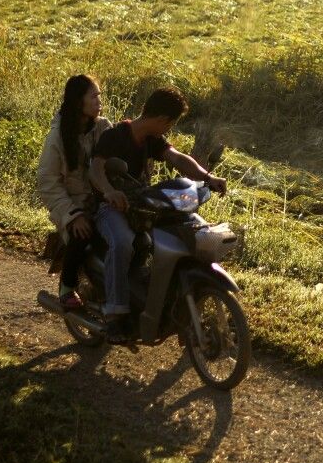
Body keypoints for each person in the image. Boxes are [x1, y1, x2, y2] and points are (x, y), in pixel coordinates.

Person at [89, 86, 227, 343]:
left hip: (140, 206)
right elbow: (95, 170)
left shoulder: (151, 139)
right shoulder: (115, 135)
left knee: (175, 236)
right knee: (122, 243)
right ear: (163, 120)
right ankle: (115, 317)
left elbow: (177, 158)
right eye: (171, 123)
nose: (170, 129)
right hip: (109, 207)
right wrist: (108, 191)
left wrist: (208, 177)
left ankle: (156, 301)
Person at [36, 74, 112, 310]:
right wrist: (73, 214)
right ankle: (67, 286)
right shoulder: (58, 136)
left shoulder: (103, 127)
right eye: (94, 96)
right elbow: (47, 182)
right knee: (84, 232)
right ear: (79, 101)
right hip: (73, 204)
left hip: (103, 199)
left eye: (100, 95)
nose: (99, 100)